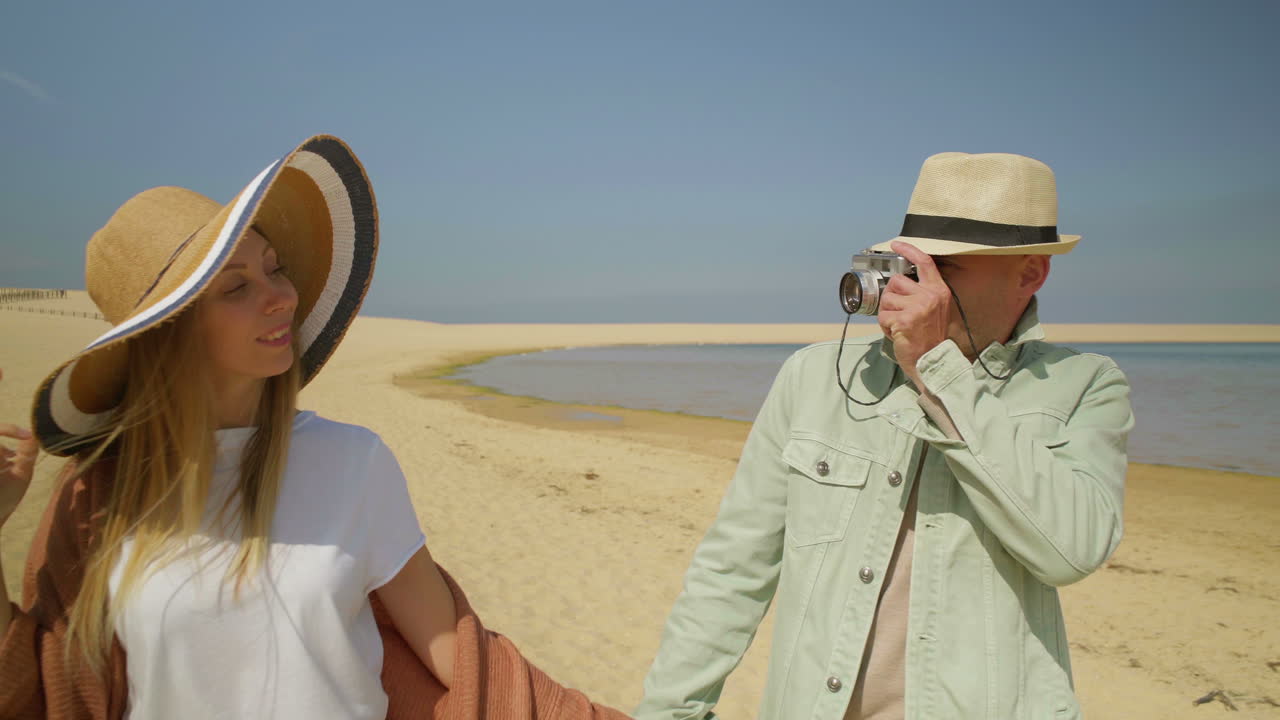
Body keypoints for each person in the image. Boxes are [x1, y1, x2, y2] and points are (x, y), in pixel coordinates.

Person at [0, 135, 628, 720]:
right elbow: (41, 688)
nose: (281, 297)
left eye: (274, 269)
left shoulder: (353, 462)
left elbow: (469, 667)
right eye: (236, 287)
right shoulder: (97, 500)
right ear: (170, 335)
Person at [635, 152, 1134, 720]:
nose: (919, 285)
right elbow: (733, 568)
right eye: (912, 265)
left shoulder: (1085, 385)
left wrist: (937, 371)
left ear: (1030, 272)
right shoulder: (815, 376)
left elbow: (1070, 551)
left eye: (948, 267)